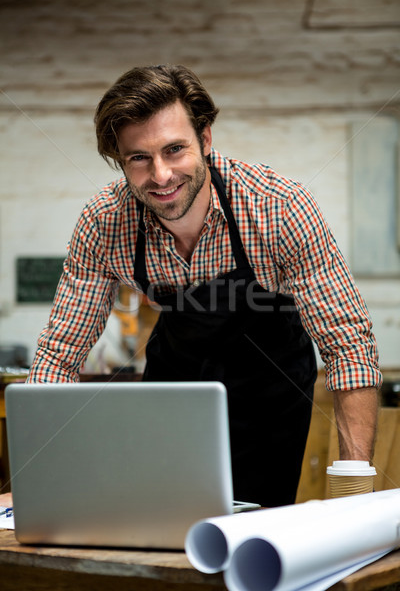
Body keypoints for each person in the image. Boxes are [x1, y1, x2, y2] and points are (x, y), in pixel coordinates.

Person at [27, 64, 381, 507]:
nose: (160, 175)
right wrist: (38, 478)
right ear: (120, 159)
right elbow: (59, 354)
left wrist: (353, 493)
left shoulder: (278, 208)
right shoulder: (104, 224)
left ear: (206, 139)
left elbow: (348, 346)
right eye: (139, 157)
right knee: (163, 517)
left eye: (175, 149)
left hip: (270, 384)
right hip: (177, 379)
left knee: (257, 526)